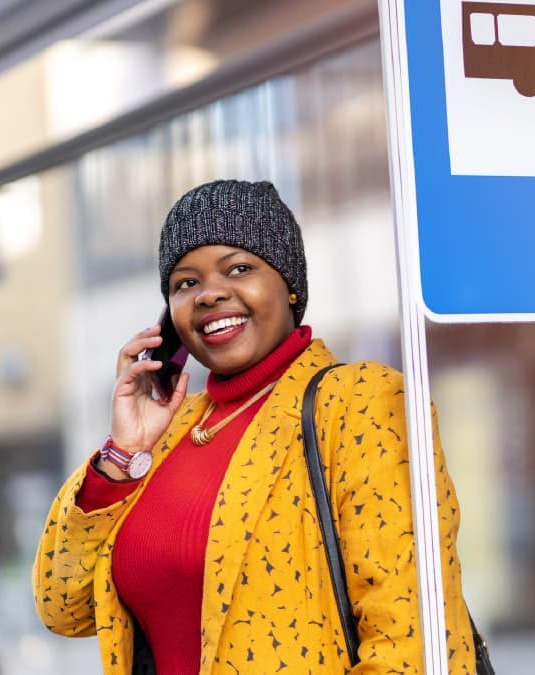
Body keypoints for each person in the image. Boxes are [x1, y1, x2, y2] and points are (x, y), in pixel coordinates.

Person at [32, 180, 477, 674]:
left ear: (288, 283)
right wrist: (123, 451)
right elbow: (63, 608)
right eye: (185, 283)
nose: (209, 294)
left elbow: (410, 641)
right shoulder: (167, 434)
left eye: (239, 268)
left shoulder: (358, 401)